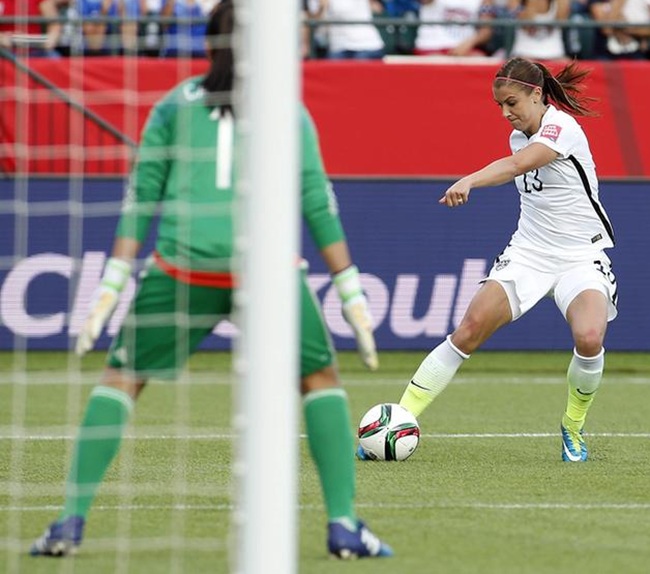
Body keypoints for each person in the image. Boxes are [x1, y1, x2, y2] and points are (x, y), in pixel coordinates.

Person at [29, 0, 391, 560]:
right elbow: (317, 203)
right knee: (320, 381)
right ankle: (343, 525)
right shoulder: (286, 111)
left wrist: (113, 282)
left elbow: (142, 197)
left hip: (181, 266)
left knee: (120, 379)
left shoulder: (174, 105)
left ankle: (68, 523)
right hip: (266, 270)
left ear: (209, 46)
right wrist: (348, 289)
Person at [360, 57, 617, 463]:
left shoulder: (562, 128)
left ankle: (572, 426)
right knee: (468, 331)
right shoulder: (519, 135)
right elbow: (518, 159)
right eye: (499, 106)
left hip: (581, 256)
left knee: (589, 339)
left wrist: (469, 180)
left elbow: (519, 165)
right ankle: (400, 418)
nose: (505, 113)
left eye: (512, 103)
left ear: (537, 94)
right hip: (528, 253)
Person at [414, 0, 495, 57]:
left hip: (465, 50)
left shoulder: (486, 1)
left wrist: (468, 44)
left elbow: (486, 31)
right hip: (431, 48)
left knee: (480, 61)